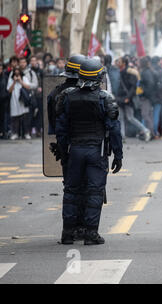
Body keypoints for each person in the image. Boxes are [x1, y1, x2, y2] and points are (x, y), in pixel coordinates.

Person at [55, 58, 123, 245]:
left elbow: (61, 129)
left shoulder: (67, 96)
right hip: (96, 151)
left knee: (71, 191)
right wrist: (118, 155)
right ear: (99, 77)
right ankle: (91, 233)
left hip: (74, 149)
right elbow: (114, 129)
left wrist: (63, 152)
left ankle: (67, 233)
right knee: (94, 192)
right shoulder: (105, 98)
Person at [47, 54, 88, 240]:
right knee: (88, 188)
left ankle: (69, 230)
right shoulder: (88, 94)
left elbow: (53, 126)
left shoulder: (54, 93)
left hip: (66, 147)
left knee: (70, 188)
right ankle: (83, 227)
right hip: (87, 145)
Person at [116, 56, 151, 141]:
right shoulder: (119, 72)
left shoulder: (130, 72)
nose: (117, 63)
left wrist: (128, 97)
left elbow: (133, 87)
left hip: (127, 99)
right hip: (120, 98)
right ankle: (122, 136)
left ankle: (145, 130)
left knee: (130, 117)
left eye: (119, 61)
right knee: (121, 117)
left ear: (124, 63)